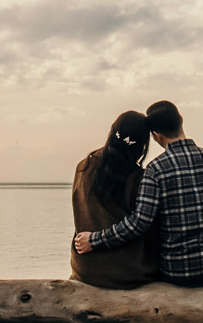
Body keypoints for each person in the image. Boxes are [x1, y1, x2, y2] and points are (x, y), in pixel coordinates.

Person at [74, 100, 203, 287]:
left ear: (155, 135)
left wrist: (94, 240)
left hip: (181, 272)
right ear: (181, 120)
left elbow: (139, 223)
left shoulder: (156, 169)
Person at [68, 110, 163, 289]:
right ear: (142, 145)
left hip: (86, 268)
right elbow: (141, 225)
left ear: (112, 132)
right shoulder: (140, 177)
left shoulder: (84, 167)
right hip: (128, 272)